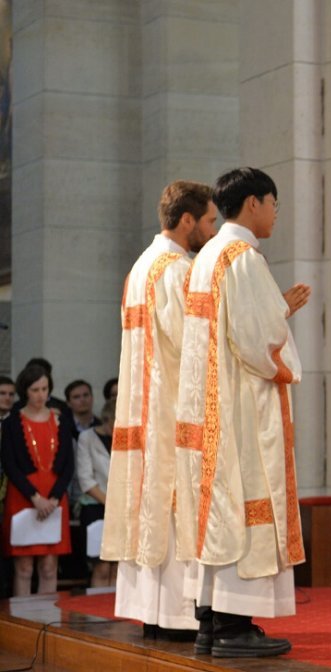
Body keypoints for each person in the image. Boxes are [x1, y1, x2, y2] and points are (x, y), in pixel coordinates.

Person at [175, 167, 310, 658]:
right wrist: (286, 361)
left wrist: (275, 311)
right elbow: (256, 343)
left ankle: (211, 620)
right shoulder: (244, 257)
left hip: (208, 409)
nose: (276, 213)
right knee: (243, 509)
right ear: (253, 203)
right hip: (240, 412)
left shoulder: (207, 255)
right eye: (274, 203)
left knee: (218, 515)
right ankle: (234, 624)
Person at [103, 180, 217, 641]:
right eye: (209, 221)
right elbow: (194, 342)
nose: (213, 230)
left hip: (143, 412)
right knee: (174, 510)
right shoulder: (177, 270)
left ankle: (152, 610)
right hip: (172, 413)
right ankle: (176, 613)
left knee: (151, 510)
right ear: (186, 220)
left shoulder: (140, 267)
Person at [0, 364, 74, 596]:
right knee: (23, 566)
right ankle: (24, 625)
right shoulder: (12, 422)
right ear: (25, 391)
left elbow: (68, 465)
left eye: (44, 389)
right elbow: (10, 465)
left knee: (50, 566)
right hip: (24, 495)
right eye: (35, 390)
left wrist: (52, 499)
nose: (41, 395)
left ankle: (46, 620)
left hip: (54, 497)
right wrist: (35, 498)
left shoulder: (60, 420)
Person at [76, 397, 115, 587]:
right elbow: (86, 480)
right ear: (106, 419)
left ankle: (118, 612)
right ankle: (97, 612)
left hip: (122, 509)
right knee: (101, 566)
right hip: (95, 506)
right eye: (114, 424)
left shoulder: (127, 439)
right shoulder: (87, 438)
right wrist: (111, 504)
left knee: (118, 566)